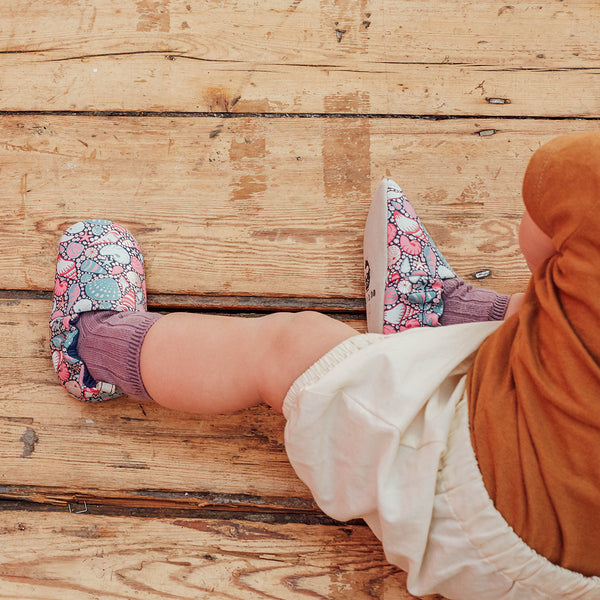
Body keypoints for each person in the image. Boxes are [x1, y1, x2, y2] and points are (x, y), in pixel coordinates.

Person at [49, 132, 600, 599]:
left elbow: (541, 237)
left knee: (285, 347)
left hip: (486, 522)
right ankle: (437, 319)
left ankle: (91, 345)